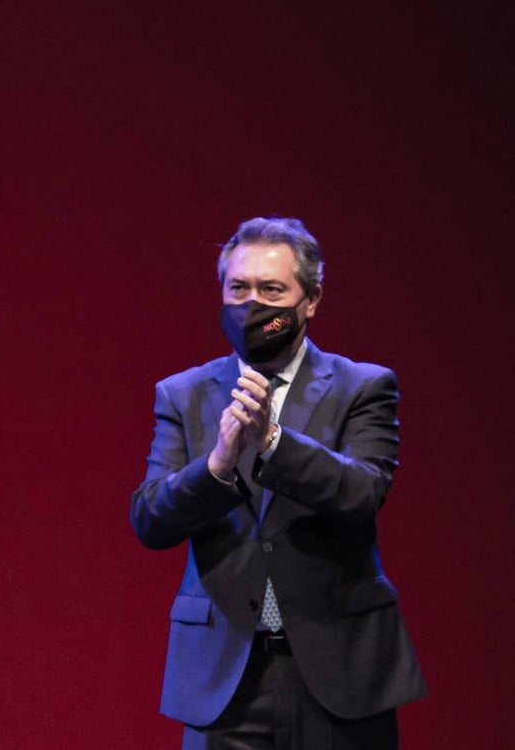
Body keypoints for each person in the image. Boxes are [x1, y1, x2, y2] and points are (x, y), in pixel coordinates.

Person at [129, 217, 425, 749]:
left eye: (272, 290)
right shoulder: (182, 394)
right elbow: (151, 518)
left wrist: (272, 440)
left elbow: (361, 494)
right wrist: (217, 466)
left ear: (309, 300)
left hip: (339, 672)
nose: (252, 306)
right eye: (238, 289)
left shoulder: (363, 387)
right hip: (224, 679)